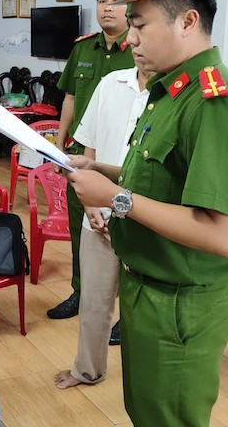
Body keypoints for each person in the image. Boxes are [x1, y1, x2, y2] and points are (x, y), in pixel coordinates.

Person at [67, 0, 228, 427]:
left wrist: (115, 199)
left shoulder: (217, 104)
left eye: (140, 24)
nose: (130, 37)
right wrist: (104, 171)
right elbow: (163, 180)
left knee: (169, 417)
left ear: (187, 21)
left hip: (181, 303)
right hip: (149, 287)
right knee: (146, 410)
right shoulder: (171, 92)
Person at [54, 63, 154, 390]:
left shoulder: (176, 94)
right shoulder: (111, 83)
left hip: (149, 220)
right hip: (98, 215)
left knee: (146, 308)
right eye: (134, 37)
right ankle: (88, 369)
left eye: (143, 35)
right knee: (94, 300)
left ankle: (146, 385)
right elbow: (90, 151)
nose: (136, 41)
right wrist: (91, 204)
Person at [48, 0, 134, 322]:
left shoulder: (141, 51)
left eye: (117, 0)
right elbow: (70, 98)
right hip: (81, 156)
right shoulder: (83, 48)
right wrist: (58, 143)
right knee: (81, 227)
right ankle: (81, 292)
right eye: (102, 0)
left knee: (126, 233)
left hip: (121, 158)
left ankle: (127, 312)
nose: (108, 7)